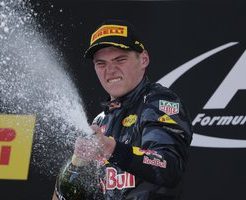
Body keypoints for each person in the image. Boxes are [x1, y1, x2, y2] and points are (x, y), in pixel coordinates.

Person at [54, 19, 193, 200]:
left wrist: (113, 148)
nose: (110, 70)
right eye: (101, 63)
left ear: (144, 59)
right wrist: (77, 164)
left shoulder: (159, 103)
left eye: (120, 59)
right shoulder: (100, 121)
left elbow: (169, 167)